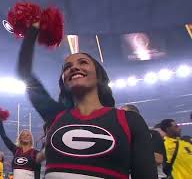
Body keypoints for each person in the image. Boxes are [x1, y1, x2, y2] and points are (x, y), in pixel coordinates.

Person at [16, 24, 157, 179]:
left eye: (83, 62)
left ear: (99, 76)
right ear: (64, 81)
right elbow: (24, 72)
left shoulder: (129, 121)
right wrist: (33, 30)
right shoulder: (56, 115)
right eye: (67, 67)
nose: (74, 68)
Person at [121, 104, 166, 179]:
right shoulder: (121, 136)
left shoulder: (151, 134)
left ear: (135, 116)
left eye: (124, 114)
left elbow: (159, 159)